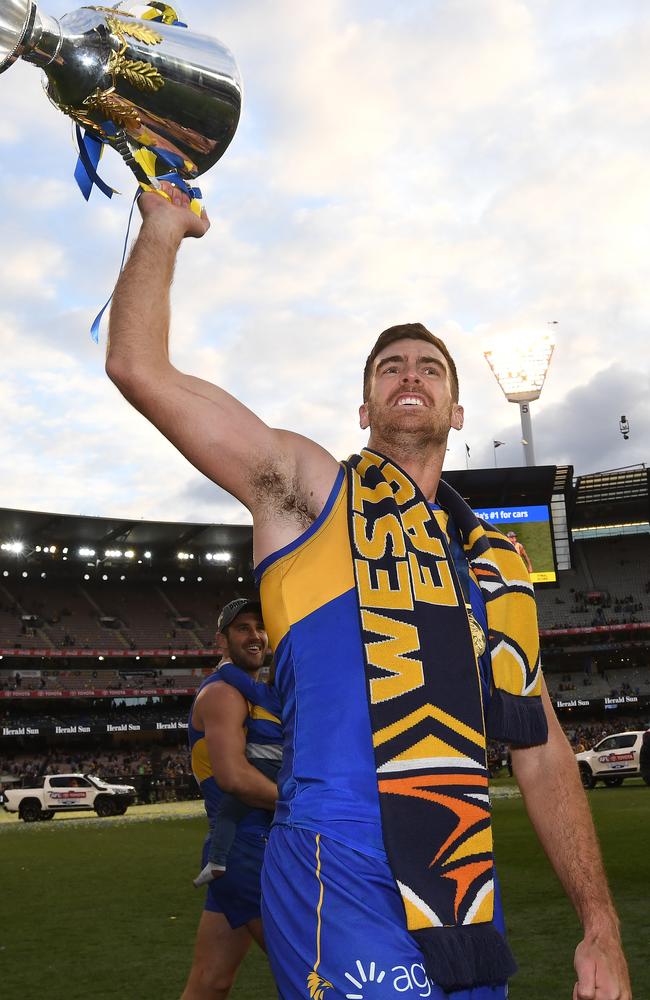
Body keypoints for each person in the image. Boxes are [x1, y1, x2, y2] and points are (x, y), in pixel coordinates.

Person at [106, 184, 631, 1000]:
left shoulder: (499, 567)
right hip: (334, 861)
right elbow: (138, 368)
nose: (409, 375)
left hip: (460, 890)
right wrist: (163, 229)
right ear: (365, 406)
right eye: (390, 367)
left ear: (457, 410)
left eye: (429, 368)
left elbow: (544, 750)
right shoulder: (311, 492)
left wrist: (600, 923)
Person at [182, 597, 277, 1000]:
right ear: (222, 639)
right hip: (245, 851)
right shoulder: (223, 694)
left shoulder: (254, 692)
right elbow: (235, 779)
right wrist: (305, 805)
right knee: (312, 968)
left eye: (259, 626)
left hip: (240, 850)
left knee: (210, 981)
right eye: (242, 628)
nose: (254, 635)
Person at [194, 656, 282, 887]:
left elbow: (238, 680)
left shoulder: (264, 694)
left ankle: (217, 861)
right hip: (284, 767)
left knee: (228, 813)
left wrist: (224, 665)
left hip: (260, 762)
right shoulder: (297, 703)